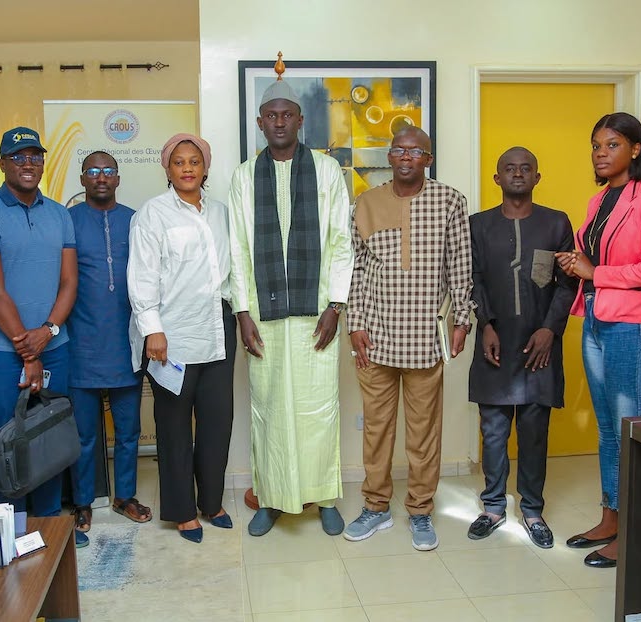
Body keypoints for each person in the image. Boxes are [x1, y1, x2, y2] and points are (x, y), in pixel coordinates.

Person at [228, 80, 353, 538]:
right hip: (262, 314)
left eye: (287, 115)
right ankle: (272, 497)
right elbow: (238, 248)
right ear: (260, 123)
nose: (279, 122)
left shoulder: (327, 170)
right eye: (271, 116)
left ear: (300, 120)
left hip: (317, 312)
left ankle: (324, 497)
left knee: (319, 407)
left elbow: (341, 241)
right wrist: (242, 312)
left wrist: (336, 305)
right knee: (269, 408)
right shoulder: (244, 176)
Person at [343, 126, 472, 551]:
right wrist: (355, 324)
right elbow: (357, 270)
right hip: (375, 337)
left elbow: (460, 266)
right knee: (376, 430)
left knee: (423, 433)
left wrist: (462, 321)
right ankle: (376, 506)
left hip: (425, 338)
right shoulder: (366, 203)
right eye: (398, 149)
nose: (405, 156)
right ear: (389, 156)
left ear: (428, 159)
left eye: (415, 151)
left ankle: (420, 510)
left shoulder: (450, 201)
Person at [555, 112, 641, 568]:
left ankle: (634, 533)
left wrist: (596, 272)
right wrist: (576, 262)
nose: (601, 154)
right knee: (608, 430)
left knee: (630, 431)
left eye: (612, 145)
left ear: (635, 149)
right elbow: (597, 257)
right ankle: (610, 518)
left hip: (635, 326)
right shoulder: (599, 199)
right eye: (596, 146)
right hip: (597, 320)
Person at [0, 127, 82, 544]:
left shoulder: (59, 214)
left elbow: (69, 282)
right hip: (4, 352)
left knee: (49, 434)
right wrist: (28, 351)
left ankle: (49, 526)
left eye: (35, 156)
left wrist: (48, 332)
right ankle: (12, 530)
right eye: (18, 157)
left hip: (55, 346)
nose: (28, 164)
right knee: (10, 440)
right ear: (2, 164)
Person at [467, 147, 577, 549]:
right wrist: (485, 324)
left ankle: (532, 511)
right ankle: (493, 507)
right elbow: (472, 278)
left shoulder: (555, 222)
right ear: (497, 178)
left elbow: (568, 282)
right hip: (495, 343)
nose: (517, 174)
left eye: (525, 168)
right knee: (493, 432)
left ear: (537, 177)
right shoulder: (478, 225)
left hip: (538, 346)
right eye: (509, 169)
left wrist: (550, 330)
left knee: (533, 433)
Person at [128, 133, 235, 544]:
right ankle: (182, 512)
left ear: (205, 167)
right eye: (179, 162)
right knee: (173, 426)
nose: (187, 168)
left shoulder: (221, 213)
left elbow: (232, 269)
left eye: (194, 161)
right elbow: (142, 275)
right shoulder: (153, 214)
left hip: (217, 330)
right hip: (170, 334)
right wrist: (152, 328)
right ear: (167, 169)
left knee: (217, 423)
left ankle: (211, 502)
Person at [67, 151, 151, 539]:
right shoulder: (67, 221)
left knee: (129, 431)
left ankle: (125, 497)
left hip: (126, 343)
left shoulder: (136, 220)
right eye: (93, 171)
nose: (101, 177)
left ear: (117, 178)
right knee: (84, 435)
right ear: (82, 179)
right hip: (81, 344)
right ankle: (83, 501)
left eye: (108, 171)